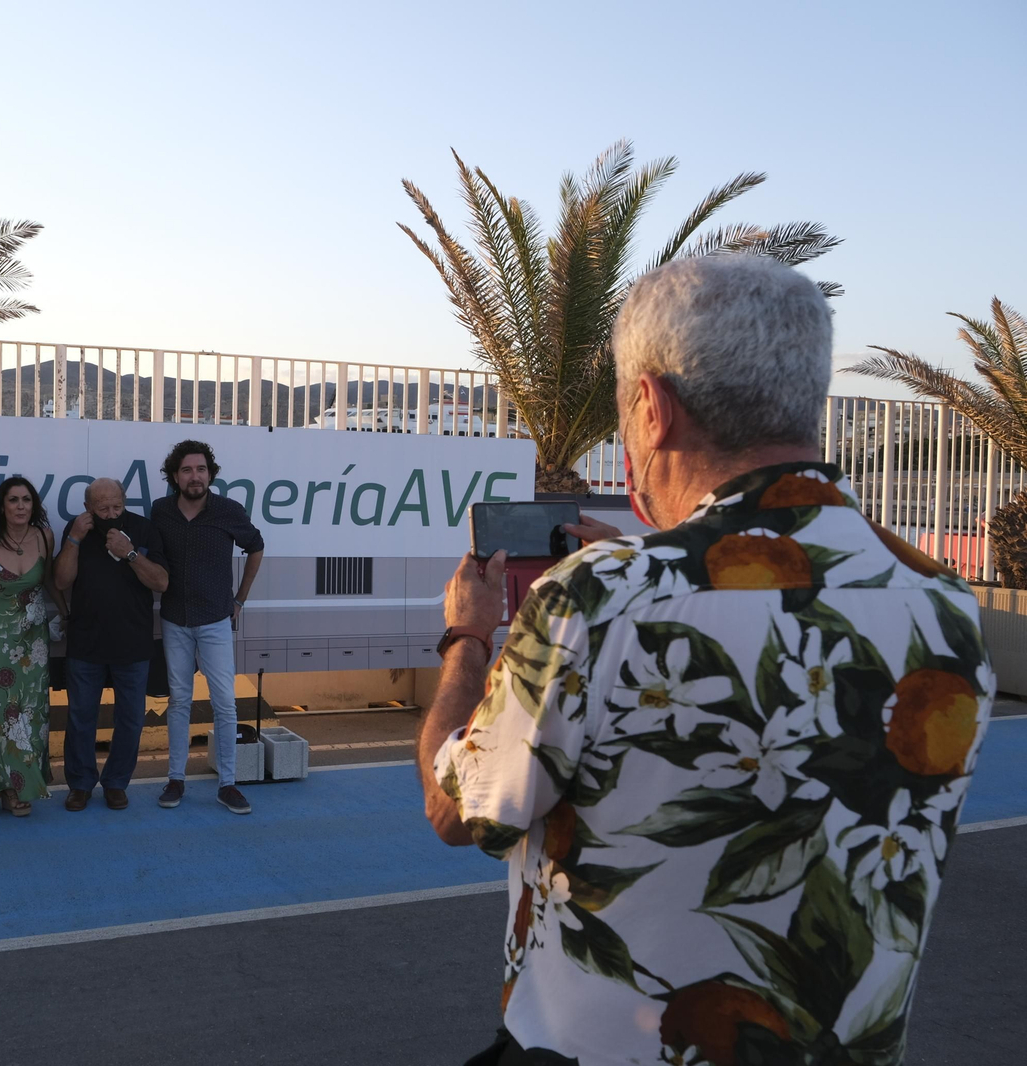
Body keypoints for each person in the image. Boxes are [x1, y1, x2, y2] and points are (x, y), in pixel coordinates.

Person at [417, 256, 995, 1065]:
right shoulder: (944, 603)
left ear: (652, 406)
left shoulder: (596, 600)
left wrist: (469, 642)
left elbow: (457, 810)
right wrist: (653, 566)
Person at [151, 440, 264, 814]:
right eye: (186, 470)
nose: (194, 476)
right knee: (179, 701)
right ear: (175, 476)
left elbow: (256, 546)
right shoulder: (161, 511)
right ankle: (176, 779)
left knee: (225, 704)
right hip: (174, 620)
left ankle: (228, 784)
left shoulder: (228, 510)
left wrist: (240, 599)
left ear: (210, 474)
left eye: (200, 469)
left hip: (216, 619)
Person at [53, 477, 169, 811]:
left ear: (125, 500)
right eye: (102, 508)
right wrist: (74, 539)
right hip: (85, 641)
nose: (111, 513)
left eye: (117, 505)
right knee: (80, 717)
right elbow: (61, 580)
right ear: (88, 507)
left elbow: (161, 581)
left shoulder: (143, 528)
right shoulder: (77, 529)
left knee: (131, 719)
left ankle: (117, 783)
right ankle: (80, 784)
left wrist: (129, 552)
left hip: (132, 641)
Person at [0, 475, 65, 817]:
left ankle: (18, 787)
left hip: (34, 640)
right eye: (13, 500)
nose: (21, 506)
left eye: (26, 499)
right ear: (1, 505)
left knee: (31, 712)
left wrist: (67, 615)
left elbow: (52, 581)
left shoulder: (45, 536)